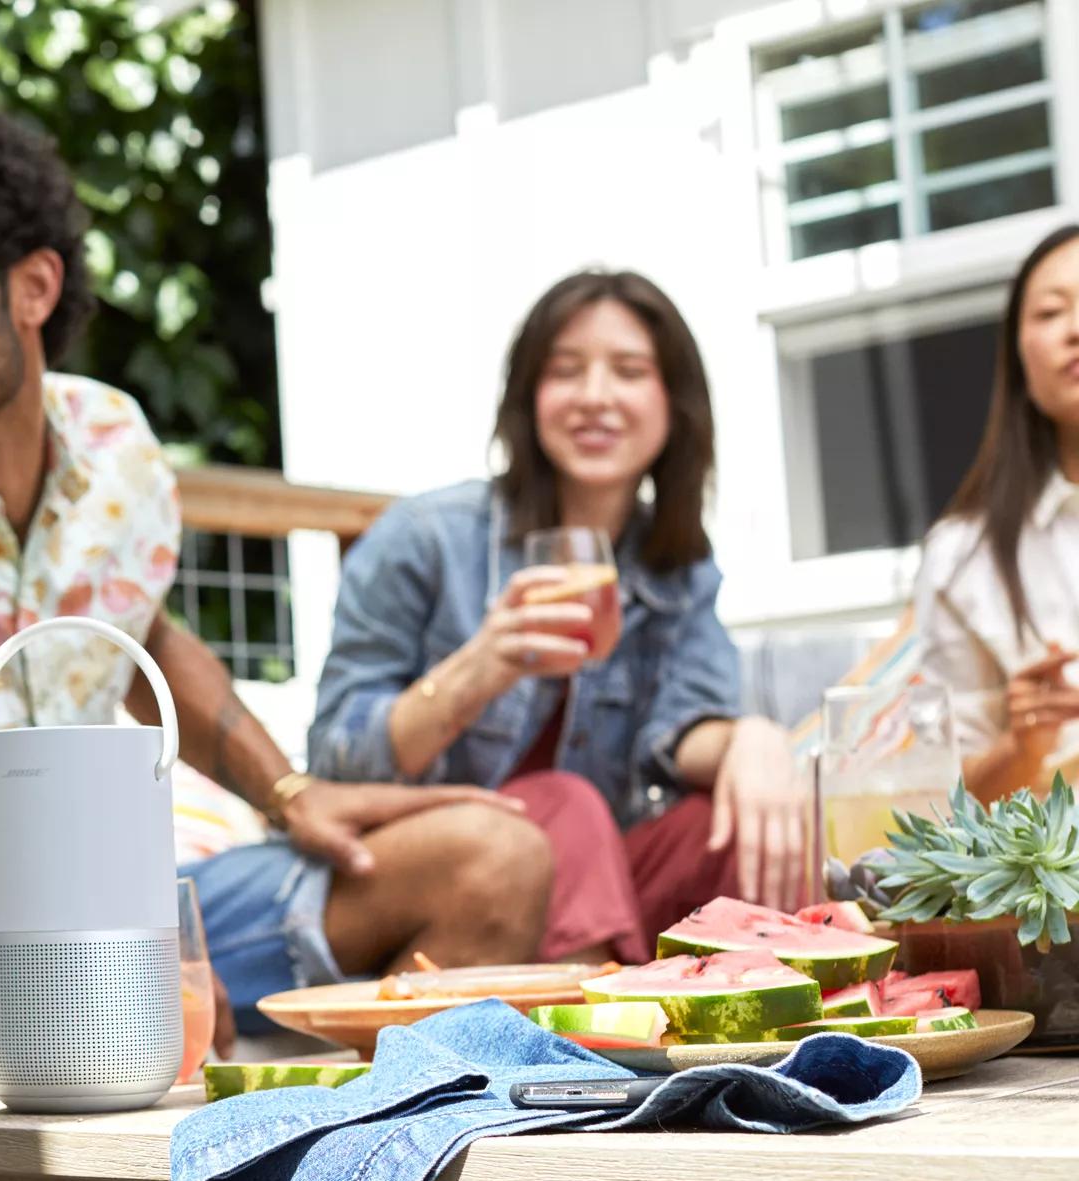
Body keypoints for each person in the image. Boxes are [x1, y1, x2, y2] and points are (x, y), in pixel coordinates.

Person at [0, 92, 552, 1098]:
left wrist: (287, 793)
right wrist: (118, 898)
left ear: (33, 285)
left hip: (120, 894)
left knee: (494, 856)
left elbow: (138, 631)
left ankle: (343, 1165)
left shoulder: (112, 443)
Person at [308, 270, 811, 961]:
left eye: (630, 371)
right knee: (564, 804)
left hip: (595, 883)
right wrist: (475, 672)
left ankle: (757, 1019)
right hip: (441, 872)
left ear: (673, 405)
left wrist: (754, 738)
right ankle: (597, 1035)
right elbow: (333, 761)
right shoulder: (426, 536)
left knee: (730, 821)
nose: (596, 397)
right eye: (566, 371)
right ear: (529, 397)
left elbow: (679, 732)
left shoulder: (677, 566)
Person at [916, 224, 1079, 805]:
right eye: (1052, 312)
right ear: (1019, 354)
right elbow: (938, 811)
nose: (1076, 330)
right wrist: (1023, 745)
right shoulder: (963, 557)